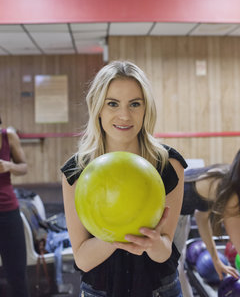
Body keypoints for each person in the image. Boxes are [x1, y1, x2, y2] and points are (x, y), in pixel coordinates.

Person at [61, 60, 188, 297]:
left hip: (160, 290)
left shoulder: (168, 164)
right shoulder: (76, 172)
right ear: (98, 108)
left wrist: (153, 243)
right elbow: (83, 259)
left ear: (145, 108)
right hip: (100, 291)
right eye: (112, 104)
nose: (124, 115)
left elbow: (164, 252)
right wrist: (120, 235)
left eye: (135, 104)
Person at [174, 151, 240, 297]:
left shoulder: (225, 177)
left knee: (178, 267)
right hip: (166, 215)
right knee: (175, 269)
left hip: (181, 217)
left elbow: (201, 218)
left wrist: (216, 260)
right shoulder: (227, 189)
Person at [0, 117, 30, 297]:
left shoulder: (8, 137)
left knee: (17, 274)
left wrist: (9, 165)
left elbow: (24, 167)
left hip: (8, 210)